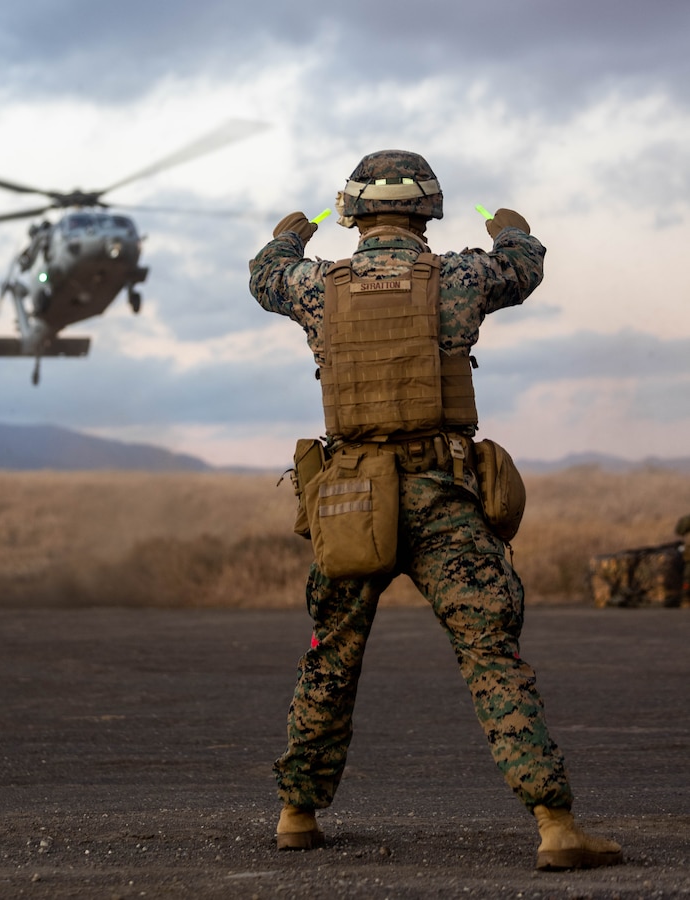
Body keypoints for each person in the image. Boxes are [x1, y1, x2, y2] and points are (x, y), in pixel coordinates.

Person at [248, 150, 623, 871]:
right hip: (441, 493)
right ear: (427, 210)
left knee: (332, 652)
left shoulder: (314, 286)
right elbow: (522, 266)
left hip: (351, 496)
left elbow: (265, 277)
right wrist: (511, 225)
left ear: (354, 212)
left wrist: (289, 235)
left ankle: (296, 814)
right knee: (491, 653)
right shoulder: (458, 276)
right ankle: (555, 826)